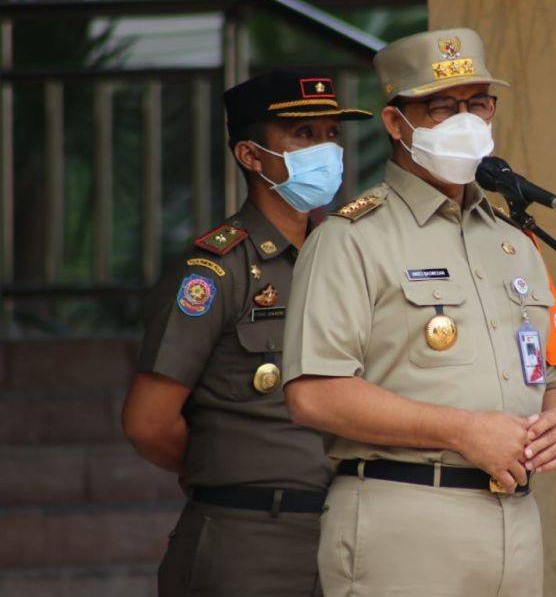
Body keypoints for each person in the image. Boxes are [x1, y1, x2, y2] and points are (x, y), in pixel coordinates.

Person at [282, 28, 556, 597]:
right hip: (404, 514)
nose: (464, 120)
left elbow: (554, 374)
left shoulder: (513, 240)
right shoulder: (352, 238)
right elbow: (313, 393)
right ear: (396, 124)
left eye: (477, 104)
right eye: (441, 107)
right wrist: (464, 431)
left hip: (515, 521)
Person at [121, 70, 371, 597]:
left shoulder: (345, 257)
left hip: (349, 532)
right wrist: (221, 467)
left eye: (330, 135)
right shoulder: (216, 271)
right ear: (250, 156)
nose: (325, 150)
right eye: (303, 136)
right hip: (249, 538)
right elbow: (149, 422)